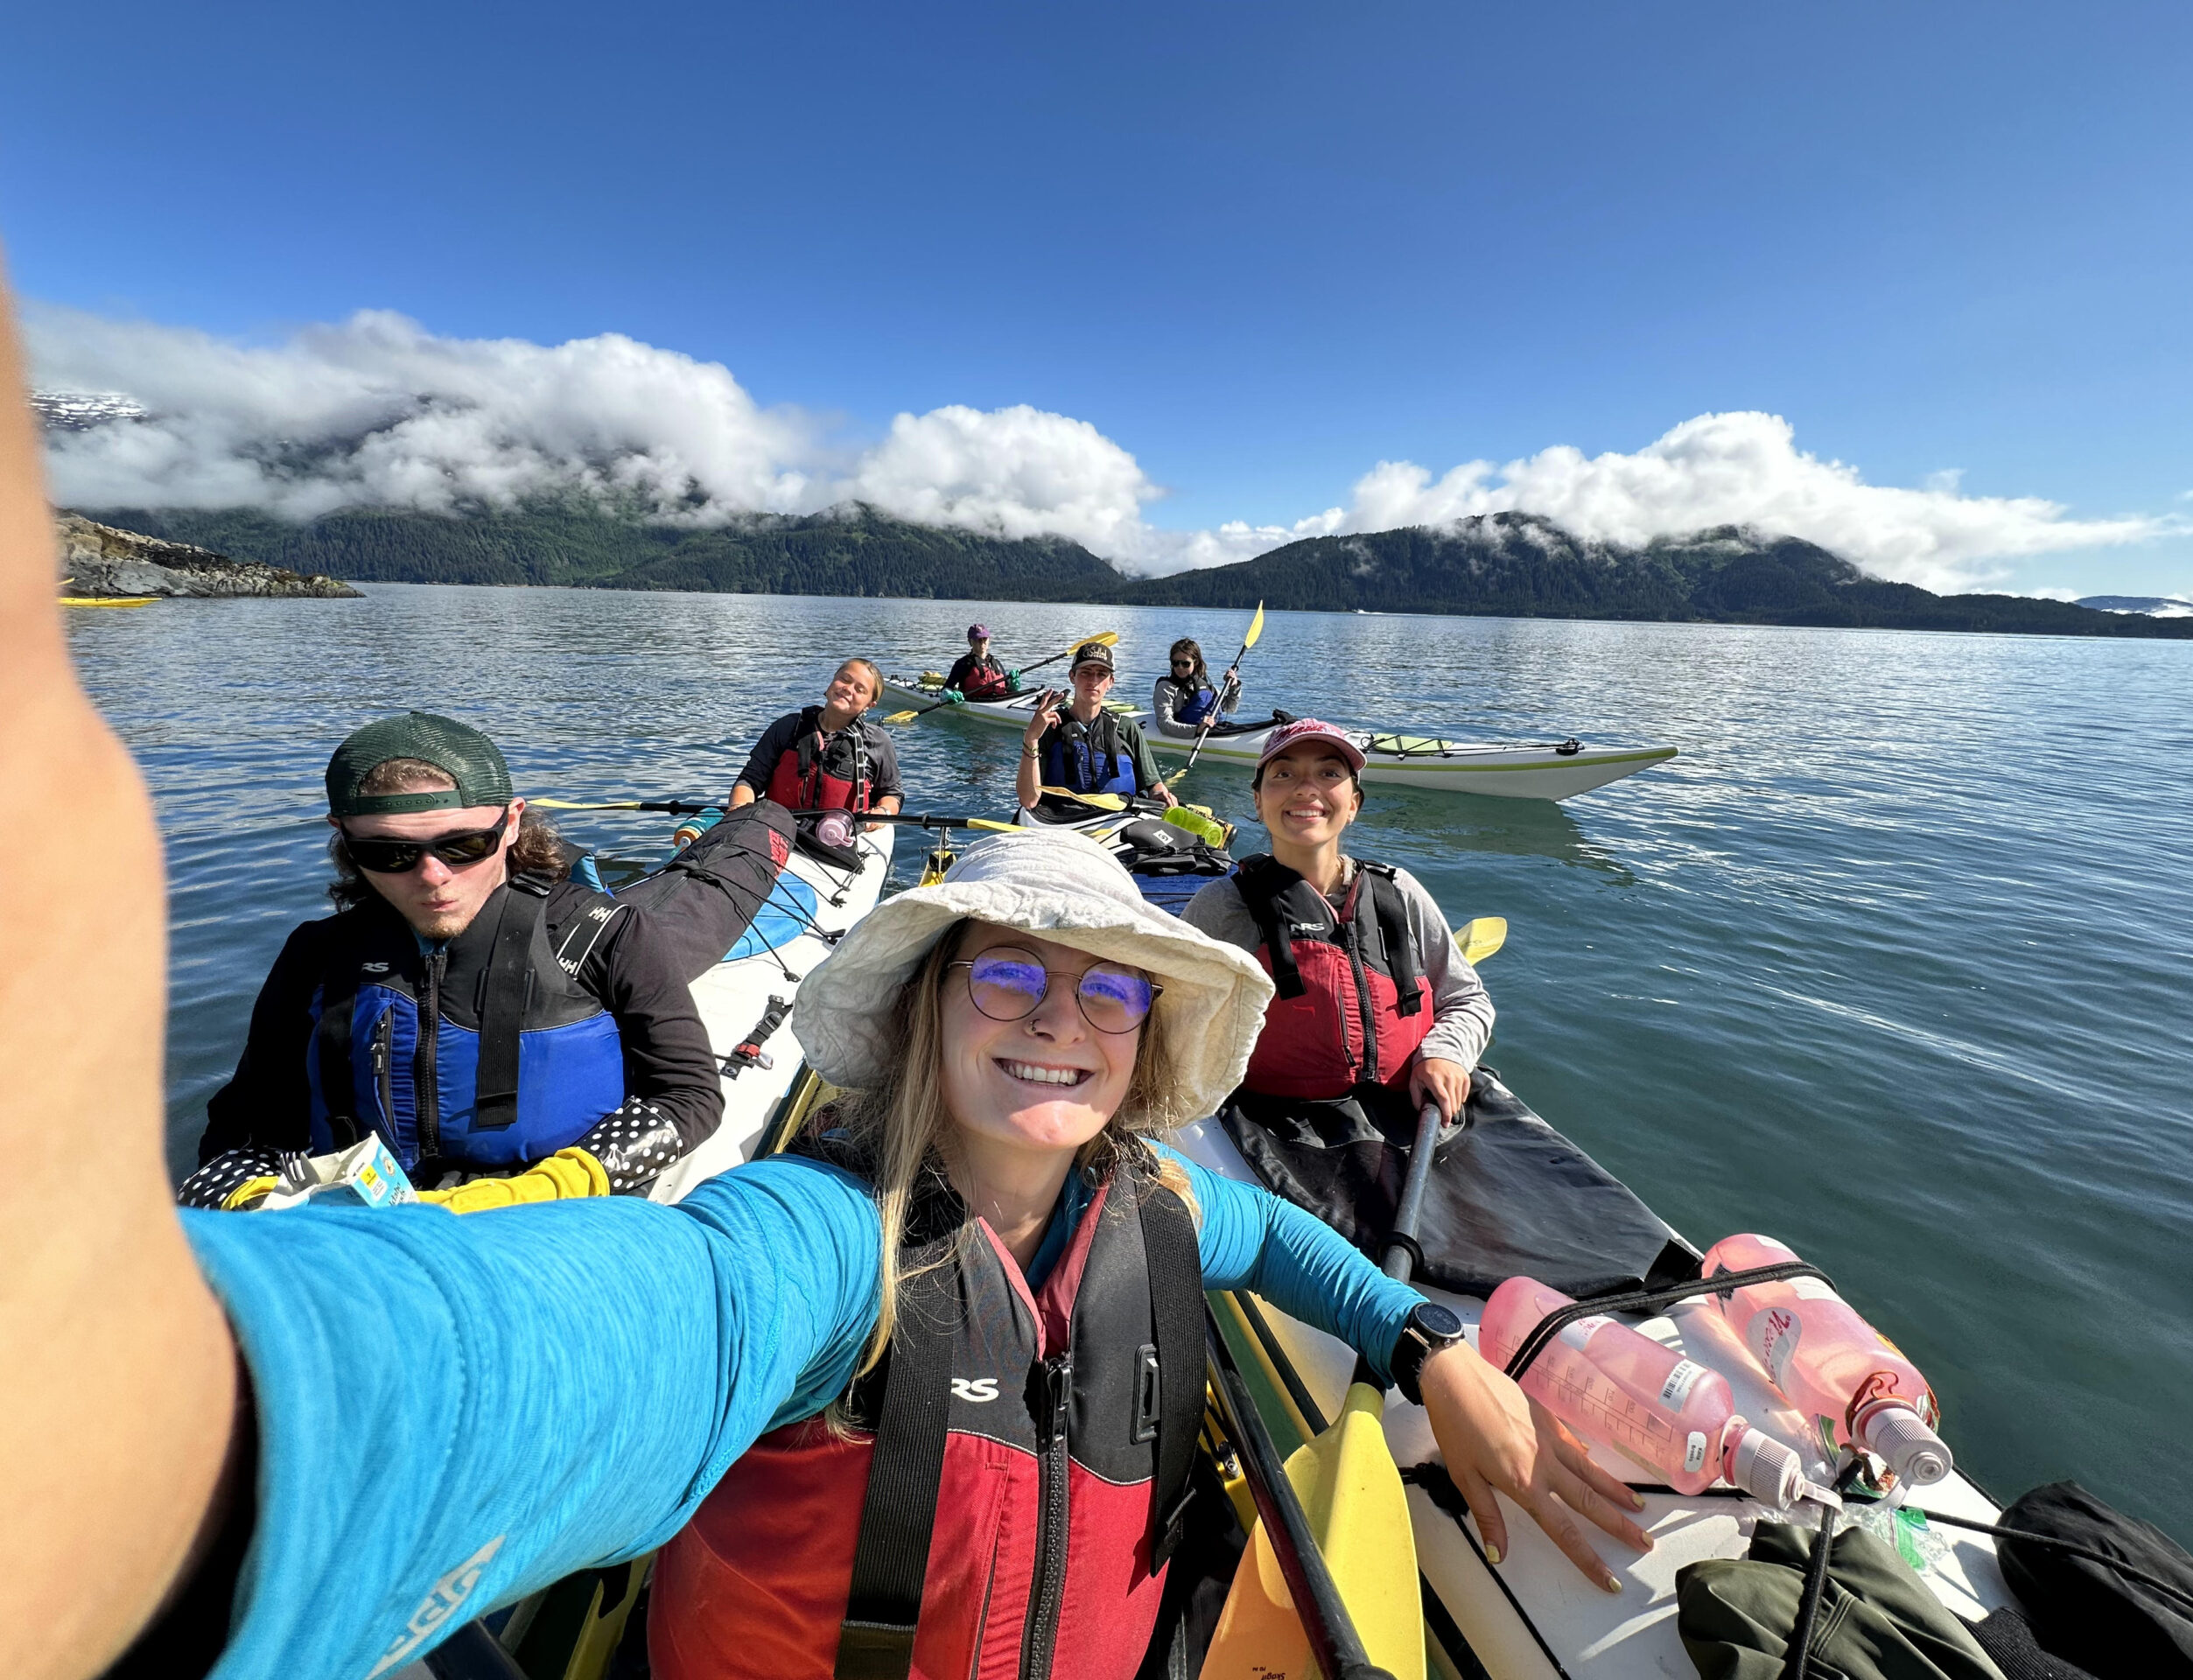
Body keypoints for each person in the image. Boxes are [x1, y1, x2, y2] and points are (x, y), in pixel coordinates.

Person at [0, 276, 1646, 1680]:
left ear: (1150, 1035)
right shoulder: (815, 1250)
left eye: (1110, 990)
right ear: (923, 1005)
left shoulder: (1148, 1200)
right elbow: (566, 1345)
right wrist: (165, 1453)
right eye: (1005, 977)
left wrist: (1429, 1343)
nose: (1059, 1018)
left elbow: (1272, 1236)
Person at [189, 712, 723, 1198]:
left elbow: (688, 1095)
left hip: (558, 1212)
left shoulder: (605, 934)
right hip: (368, 1220)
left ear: (511, 823)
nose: (432, 876)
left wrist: (552, 1185)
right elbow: (248, 1124)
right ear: (344, 838)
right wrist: (242, 1197)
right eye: (389, 852)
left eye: (463, 845)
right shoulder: (316, 953)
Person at [1182, 718, 1493, 1124]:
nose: (1305, 788)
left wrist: (1445, 1054)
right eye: (1284, 774)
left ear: (1353, 805)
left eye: (1329, 773)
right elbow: (1171, 1015)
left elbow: (1466, 998)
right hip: (1270, 1126)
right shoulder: (1223, 905)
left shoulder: (1398, 893)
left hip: (1413, 1113)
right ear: (1258, 801)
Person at [680, 656, 901, 845]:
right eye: (844, 679)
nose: (848, 689)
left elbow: (892, 794)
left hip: (837, 841)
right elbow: (750, 780)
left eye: (860, 689)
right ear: (832, 681)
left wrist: (882, 813)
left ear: (870, 704)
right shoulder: (787, 728)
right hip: (774, 831)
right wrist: (739, 809)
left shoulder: (877, 742)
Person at [1015, 640, 1178, 811]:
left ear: (1111, 682)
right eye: (1086, 673)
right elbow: (1029, 800)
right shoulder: (1050, 727)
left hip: (1120, 819)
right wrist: (1031, 738)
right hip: (1061, 820)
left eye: (1101, 674)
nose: (1093, 680)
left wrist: (1160, 794)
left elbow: (1154, 786)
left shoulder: (1126, 728)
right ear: (1072, 676)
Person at [1151, 635, 1242, 738]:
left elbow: (1230, 708)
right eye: (1175, 663)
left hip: (1212, 731)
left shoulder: (1203, 684)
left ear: (1196, 662)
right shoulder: (1166, 687)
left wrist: (1233, 687)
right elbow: (1164, 725)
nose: (1180, 667)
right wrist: (1197, 730)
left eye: (1185, 664)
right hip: (1189, 733)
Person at [941, 622, 1014, 699]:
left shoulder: (997, 664)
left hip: (1001, 701)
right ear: (970, 642)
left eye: (985, 639)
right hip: (974, 702)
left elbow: (1009, 689)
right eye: (978, 639)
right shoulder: (962, 664)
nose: (982, 642)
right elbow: (945, 690)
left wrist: (1014, 684)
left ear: (989, 640)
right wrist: (950, 695)